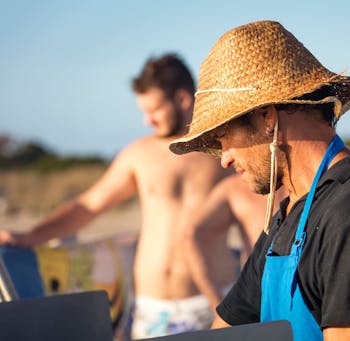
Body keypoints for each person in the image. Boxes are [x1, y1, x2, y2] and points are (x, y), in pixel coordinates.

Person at [169, 20, 350, 341]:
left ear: (267, 117)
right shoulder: (286, 219)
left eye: (224, 137)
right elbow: (227, 332)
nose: (223, 157)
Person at [0, 53, 233, 338]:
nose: (147, 120)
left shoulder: (225, 150)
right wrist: (31, 237)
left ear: (183, 100)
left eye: (154, 109)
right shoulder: (138, 155)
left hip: (215, 304)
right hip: (154, 309)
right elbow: (87, 206)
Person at [185, 173, 287, 311]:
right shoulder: (233, 188)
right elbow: (192, 235)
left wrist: (218, 306)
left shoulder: (234, 187)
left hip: (275, 293)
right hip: (262, 296)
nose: (226, 160)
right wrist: (218, 306)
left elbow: (192, 235)